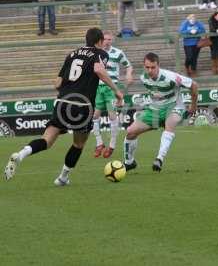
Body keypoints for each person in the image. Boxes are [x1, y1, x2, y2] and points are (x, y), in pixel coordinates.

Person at [4, 28, 124, 185]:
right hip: (82, 105)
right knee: (78, 143)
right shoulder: (100, 53)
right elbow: (99, 70)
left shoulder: (72, 54)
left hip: (62, 102)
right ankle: (63, 178)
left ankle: (20, 155)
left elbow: (57, 83)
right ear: (100, 41)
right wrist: (117, 91)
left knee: (46, 139)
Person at [123, 52, 198, 172]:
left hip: (174, 107)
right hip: (154, 110)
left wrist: (193, 105)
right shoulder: (143, 77)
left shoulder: (170, 77)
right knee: (131, 132)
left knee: (170, 124)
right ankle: (129, 162)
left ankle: (159, 159)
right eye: (147, 67)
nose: (150, 70)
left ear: (158, 65)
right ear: (144, 66)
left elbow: (193, 85)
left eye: (153, 67)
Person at [92, 31, 134, 159]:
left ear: (112, 40)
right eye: (105, 39)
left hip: (111, 88)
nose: (107, 41)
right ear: (101, 40)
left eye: (110, 39)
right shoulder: (96, 52)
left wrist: (128, 74)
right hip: (98, 87)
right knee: (94, 116)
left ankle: (111, 146)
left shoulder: (118, 53)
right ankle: (99, 144)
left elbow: (128, 65)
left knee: (112, 116)